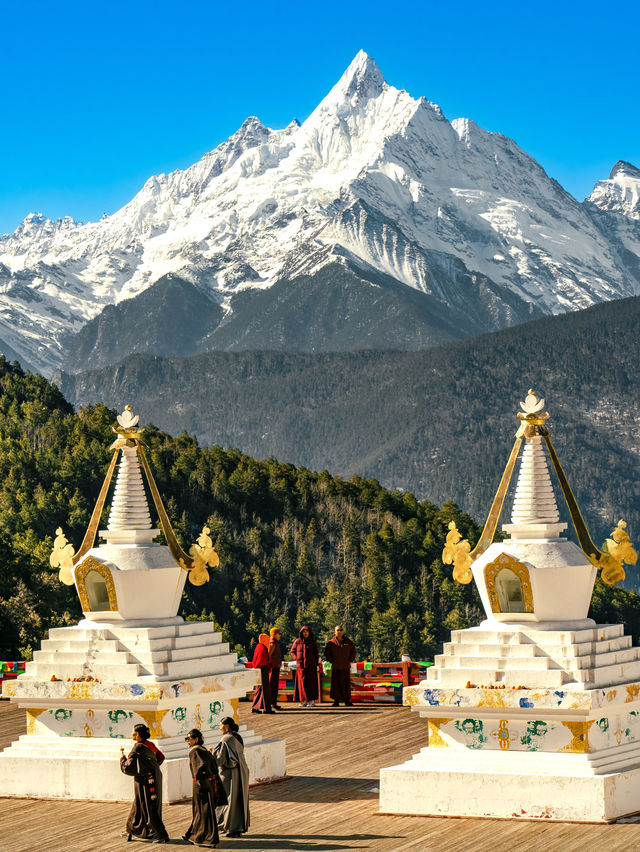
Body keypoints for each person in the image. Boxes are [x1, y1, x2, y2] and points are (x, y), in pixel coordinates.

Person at [119, 723, 169, 843]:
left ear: (138, 735)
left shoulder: (138, 747)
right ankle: (131, 829)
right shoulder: (150, 744)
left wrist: (122, 759)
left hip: (144, 781)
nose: (131, 734)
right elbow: (160, 757)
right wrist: (152, 768)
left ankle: (162, 835)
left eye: (133, 733)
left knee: (148, 806)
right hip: (154, 778)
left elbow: (127, 767)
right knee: (139, 804)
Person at [182, 728, 223, 848]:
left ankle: (207, 838)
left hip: (200, 785)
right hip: (209, 784)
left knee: (201, 811)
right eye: (186, 739)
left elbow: (197, 771)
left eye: (189, 739)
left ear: (196, 739)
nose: (187, 741)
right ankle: (194, 834)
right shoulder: (204, 750)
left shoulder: (194, 752)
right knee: (202, 811)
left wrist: (199, 781)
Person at [214, 716, 250, 838]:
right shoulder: (237, 737)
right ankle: (238, 827)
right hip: (242, 770)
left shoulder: (226, 739)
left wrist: (210, 753)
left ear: (227, 726)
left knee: (227, 799)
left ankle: (228, 826)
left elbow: (219, 759)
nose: (220, 728)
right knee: (239, 799)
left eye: (221, 725)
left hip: (229, 773)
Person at [324, 625, 356, 707]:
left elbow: (353, 651)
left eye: (341, 630)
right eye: (337, 630)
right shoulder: (331, 642)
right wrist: (332, 661)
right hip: (336, 667)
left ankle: (347, 701)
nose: (339, 631)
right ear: (334, 632)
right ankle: (336, 701)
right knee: (336, 685)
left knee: (346, 685)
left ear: (343, 631)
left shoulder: (348, 642)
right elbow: (327, 653)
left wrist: (350, 660)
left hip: (345, 667)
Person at [290, 625, 320, 707]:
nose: (305, 633)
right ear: (301, 633)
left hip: (311, 666)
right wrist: (296, 659)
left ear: (309, 633)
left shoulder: (312, 642)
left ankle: (311, 700)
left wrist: (316, 664)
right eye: (304, 632)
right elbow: (292, 651)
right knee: (302, 684)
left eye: (307, 631)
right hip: (301, 666)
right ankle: (303, 701)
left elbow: (316, 654)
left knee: (311, 684)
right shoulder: (297, 641)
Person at [251, 632, 274, 714]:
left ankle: (255, 707)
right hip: (263, 670)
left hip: (258, 670)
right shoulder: (263, 648)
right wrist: (269, 664)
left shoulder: (258, 646)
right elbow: (263, 660)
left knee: (259, 689)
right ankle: (267, 709)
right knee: (265, 689)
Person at [268, 627, 283, 711]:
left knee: (274, 686)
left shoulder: (275, 643)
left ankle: (274, 703)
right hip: (272, 668)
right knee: (272, 686)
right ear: (274, 634)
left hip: (275, 667)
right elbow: (268, 655)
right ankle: (270, 703)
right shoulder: (272, 644)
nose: (280, 635)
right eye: (279, 634)